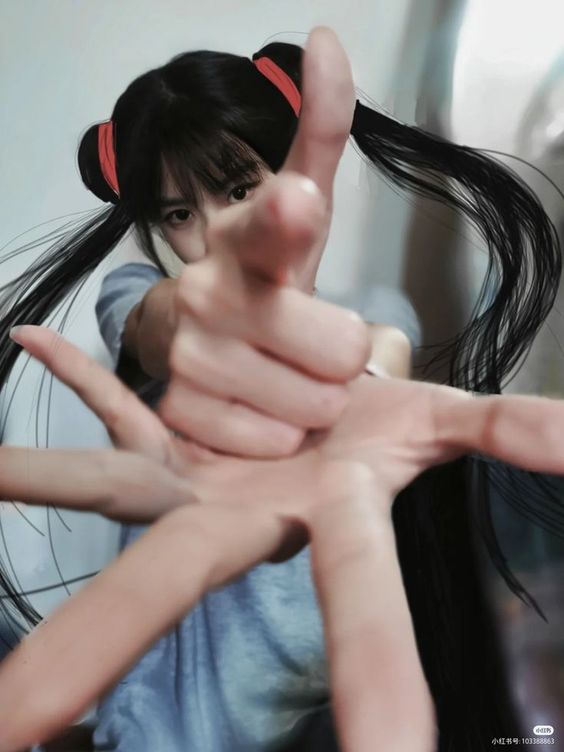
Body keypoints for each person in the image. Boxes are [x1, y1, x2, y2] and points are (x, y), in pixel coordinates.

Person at [0, 26, 562, 752]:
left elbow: (378, 355)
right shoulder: (140, 294)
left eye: (239, 188)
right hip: (151, 712)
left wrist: (348, 384)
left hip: (307, 709)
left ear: (287, 171)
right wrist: (186, 328)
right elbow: (149, 324)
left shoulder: (371, 318)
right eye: (179, 214)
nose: (216, 233)